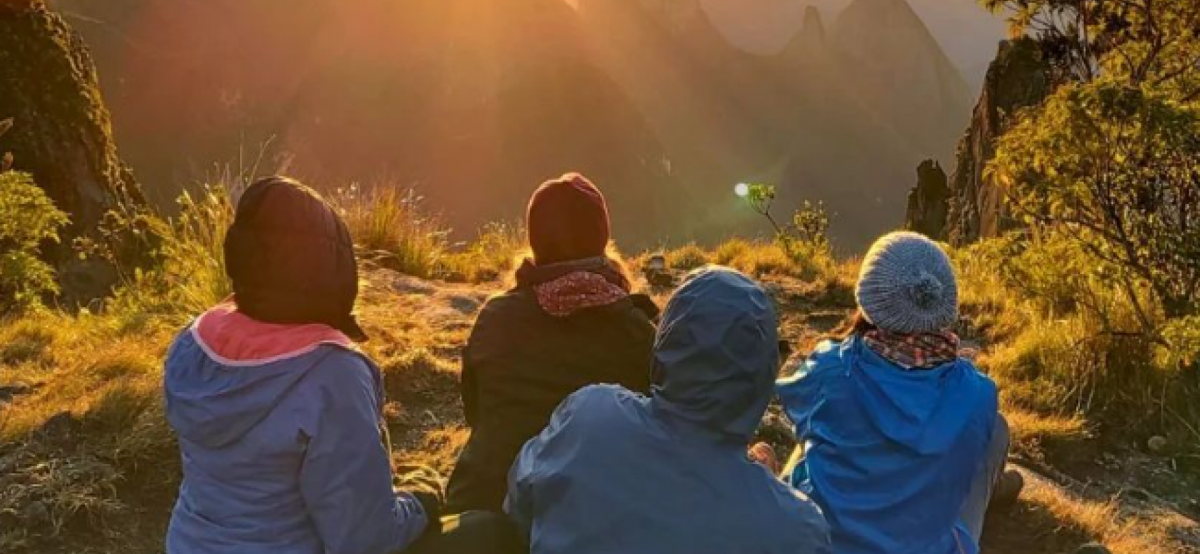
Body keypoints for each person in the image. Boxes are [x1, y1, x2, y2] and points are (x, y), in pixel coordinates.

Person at [163, 176, 519, 554]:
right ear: (332, 270)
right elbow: (363, 540)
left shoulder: (194, 343)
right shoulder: (333, 375)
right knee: (487, 532)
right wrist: (422, 497)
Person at [506, 266, 832, 554]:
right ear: (764, 372)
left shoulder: (589, 416)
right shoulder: (796, 530)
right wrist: (761, 487)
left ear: (664, 344)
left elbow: (519, 503)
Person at [777, 231, 1015, 554]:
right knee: (996, 430)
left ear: (868, 299)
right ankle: (995, 490)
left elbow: (791, 398)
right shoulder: (978, 395)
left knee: (812, 433)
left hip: (828, 545)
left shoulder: (829, 371)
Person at [446, 172, 657, 513]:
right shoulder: (637, 330)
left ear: (535, 240)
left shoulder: (497, 318)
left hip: (484, 506)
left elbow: (476, 411)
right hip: (593, 519)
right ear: (602, 239)